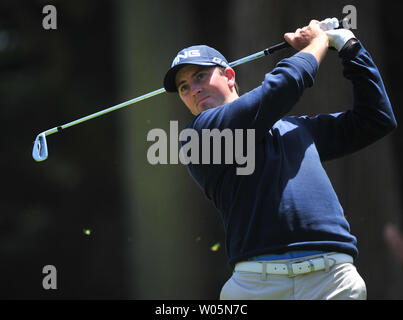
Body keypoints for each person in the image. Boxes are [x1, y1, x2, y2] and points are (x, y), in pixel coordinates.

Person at [163, 18, 396, 300]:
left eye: (200, 76)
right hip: (257, 285)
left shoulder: (299, 129)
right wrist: (318, 44)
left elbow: (375, 119)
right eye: (184, 87)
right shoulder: (198, 138)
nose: (193, 89)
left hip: (331, 281)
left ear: (229, 76)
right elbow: (281, 88)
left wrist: (349, 46)